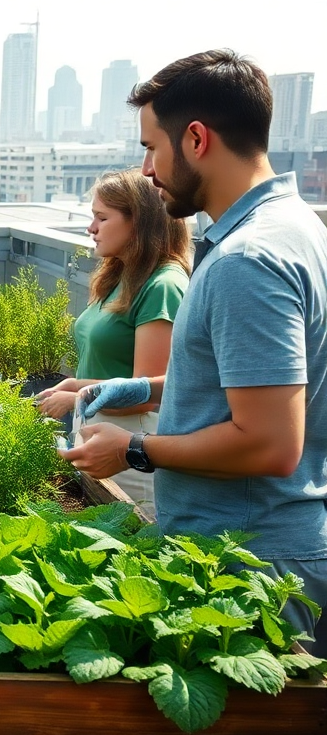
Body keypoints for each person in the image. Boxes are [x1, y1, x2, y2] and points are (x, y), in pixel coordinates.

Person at [63, 50, 327, 656]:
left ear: (197, 139)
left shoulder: (247, 262)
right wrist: (142, 390)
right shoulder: (297, 227)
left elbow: (270, 442)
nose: (148, 169)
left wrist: (134, 447)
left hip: (248, 564)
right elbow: (256, 384)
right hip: (267, 547)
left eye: (152, 148)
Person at [34, 169, 190, 516]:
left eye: (102, 217)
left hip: (130, 444)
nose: (91, 228)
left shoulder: (162, 285)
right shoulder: (121, 276)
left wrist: (77, 394)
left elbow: (146, 393)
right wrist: (76, 387)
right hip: (100, 431)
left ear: (141, 223)